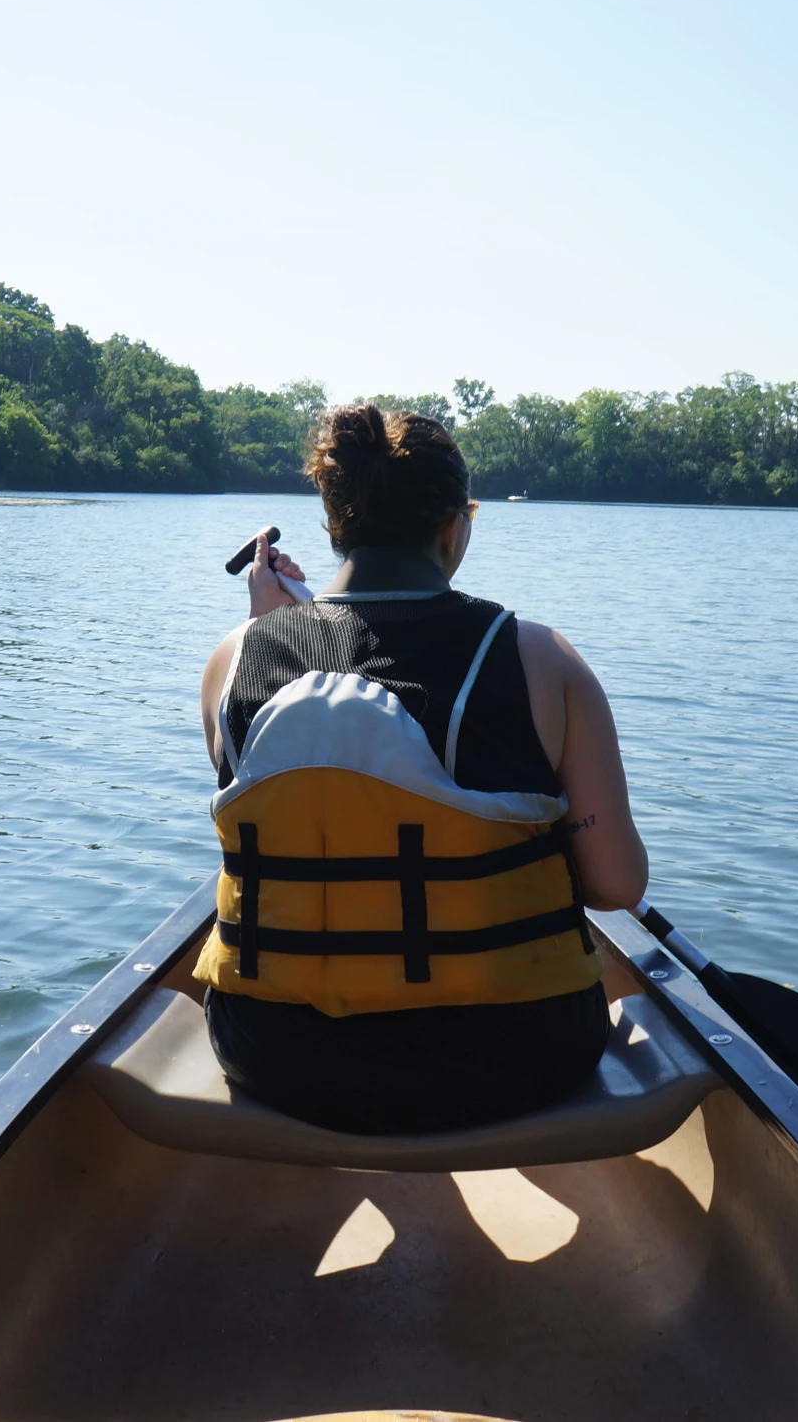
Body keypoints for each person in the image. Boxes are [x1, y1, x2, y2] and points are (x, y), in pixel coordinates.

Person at [194, 404, 649, 1134]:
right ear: (453, 526)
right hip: (511, 1056)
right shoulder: (542, 659)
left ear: (332, 524)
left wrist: (263, 626)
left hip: (271, 1053)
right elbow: (615, 886)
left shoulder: (234, 658)